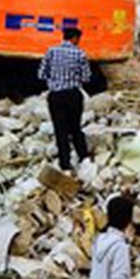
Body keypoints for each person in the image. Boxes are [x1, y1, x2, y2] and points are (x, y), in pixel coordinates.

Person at [38, 25, 92, 171]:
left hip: (55, 96)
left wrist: (54, 79)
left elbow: (41, 74)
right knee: (75, 127)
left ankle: (65, 163)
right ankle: (83, 157)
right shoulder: (80, 54)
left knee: (60, 129)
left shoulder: (51, 52)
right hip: (73, 95)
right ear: (75, 38)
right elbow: (86, 77)